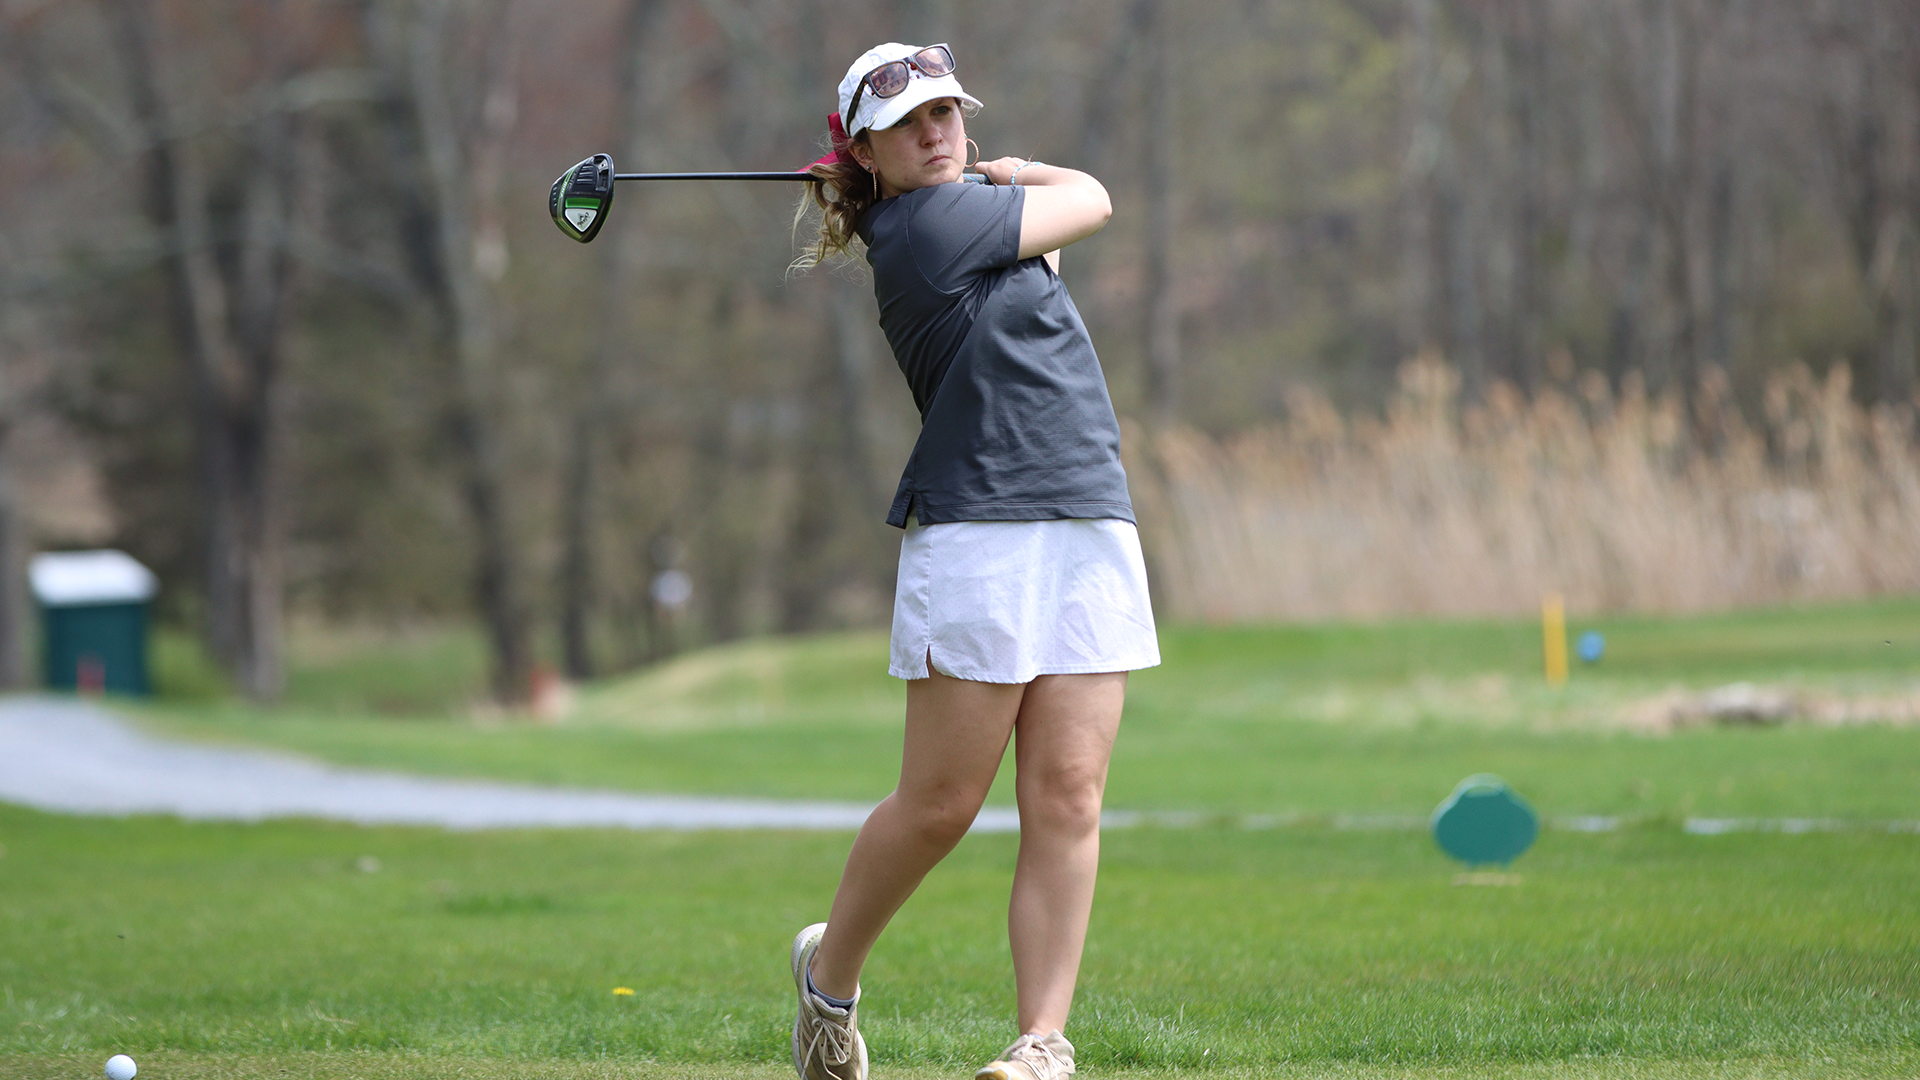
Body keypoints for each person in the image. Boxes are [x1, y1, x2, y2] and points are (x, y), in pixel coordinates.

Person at [788, 41, 1160, 1080]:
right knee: (942, 804)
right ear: (866, 150)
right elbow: (1092, 198)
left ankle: (1044, 1040)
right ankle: (831, 981)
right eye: (908, 122)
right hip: (981, 528)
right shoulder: (930, 224)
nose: (936, 132)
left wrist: (996, 179)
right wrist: (1016, 169)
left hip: (1085, 511)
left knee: (1070, 794)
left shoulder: (962, 213)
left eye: (946, 113)